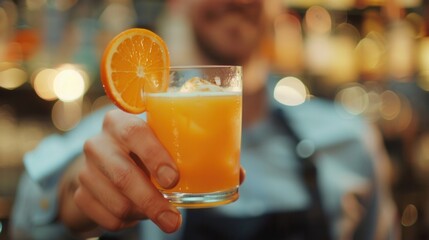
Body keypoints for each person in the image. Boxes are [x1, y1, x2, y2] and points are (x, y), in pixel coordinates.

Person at [11, 0, 399, 239]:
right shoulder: (128, 133)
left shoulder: (348, 139)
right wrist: (79, 194)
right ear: (177, 1)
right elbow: (27, 218)